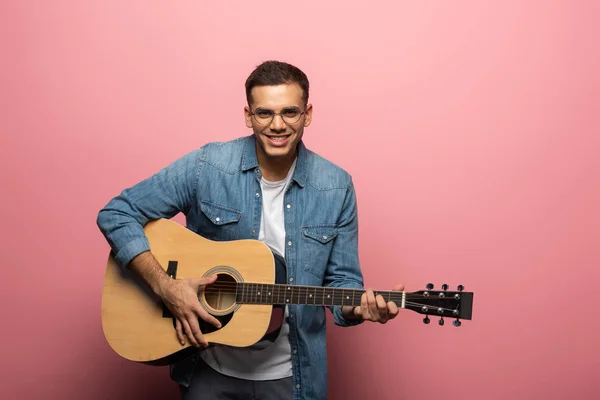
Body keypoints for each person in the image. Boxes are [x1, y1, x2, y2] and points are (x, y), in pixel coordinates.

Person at [96, 60, 404, 400]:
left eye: (290, 112)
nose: (277, 125)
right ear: (248, 115)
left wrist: (358, 307)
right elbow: (117, 213)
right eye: (264, 113)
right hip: (207, 368)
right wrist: (165, 286)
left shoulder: (336, 186)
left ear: (308, 114)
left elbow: (343, 282)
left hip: (292, 377)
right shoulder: (207, 166)